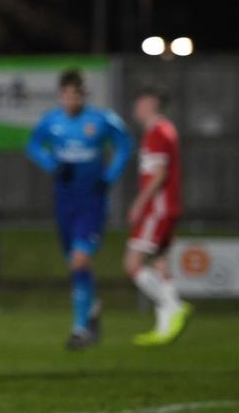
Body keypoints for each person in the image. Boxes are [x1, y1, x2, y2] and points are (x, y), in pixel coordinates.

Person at [27, 68, 132, 350]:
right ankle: (92, 309)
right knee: (74, 265)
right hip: (64, 202)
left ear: (83, 94)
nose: (70, 99)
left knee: (79, 261)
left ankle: (79, 329)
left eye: (75, 94)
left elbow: (125, 144)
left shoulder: (101, 120)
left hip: (92, 202)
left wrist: (109, 177)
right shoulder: (52, 122)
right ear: (60, 96)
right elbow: (33, 145)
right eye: (65, 95)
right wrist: (51, 164)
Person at [125, 86, 191, 345]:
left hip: (157, 209)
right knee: (160, 263)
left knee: (132, 264)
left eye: (140, 102)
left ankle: (173, 305)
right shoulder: (166, 130)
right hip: (168, 207)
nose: (136, 107)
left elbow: (159, 174)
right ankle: (164, 328)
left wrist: (139, 203)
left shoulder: (157, 132)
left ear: (151, 104)